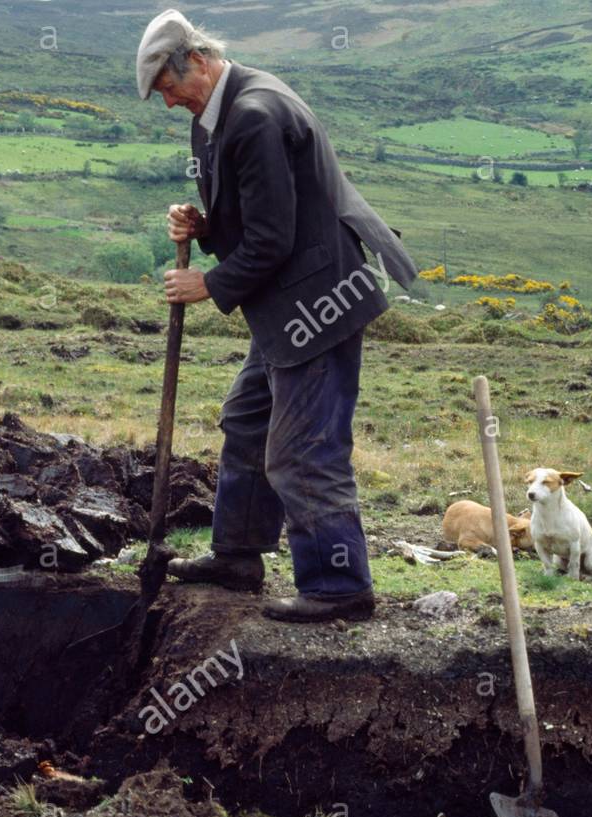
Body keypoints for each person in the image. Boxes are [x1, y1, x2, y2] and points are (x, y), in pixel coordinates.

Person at [135, 10, 417, 622]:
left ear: (197, 62)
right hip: (287, 305)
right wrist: (204, 228)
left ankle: (341, 588)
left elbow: (273, 239)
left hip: (319, 302)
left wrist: (206, 283)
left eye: (168, 88)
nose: (167, 103)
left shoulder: (256, 115)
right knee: (246, 419)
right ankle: (237, 554)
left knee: (302, 450)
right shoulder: (217, 116)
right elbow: (254, 216)